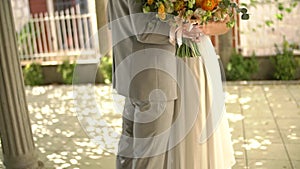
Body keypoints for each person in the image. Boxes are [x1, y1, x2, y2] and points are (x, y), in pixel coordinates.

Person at [107, 0, 236, 168]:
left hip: (135, 75)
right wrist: (181, 29)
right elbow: (143, 28)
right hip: (154, 78)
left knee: (130, 149)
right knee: (149, 155)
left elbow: (113, 21)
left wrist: (200, 24)